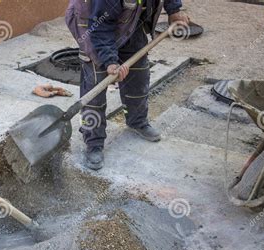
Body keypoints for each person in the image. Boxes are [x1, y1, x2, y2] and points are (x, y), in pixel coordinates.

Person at [66, 0, 190, 170]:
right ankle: (93, 142)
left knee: (139, 75)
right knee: (96, 86)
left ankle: (137, 121)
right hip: (93, 24)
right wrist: (110, 61)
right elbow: (101, 27)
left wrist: (174, 10)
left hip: (131, 18)